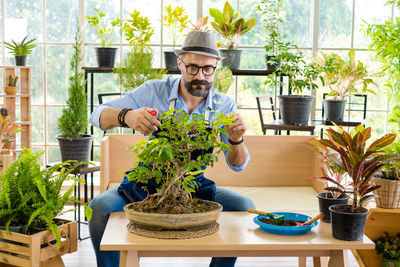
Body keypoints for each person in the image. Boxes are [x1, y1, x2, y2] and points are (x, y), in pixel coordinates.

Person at [88, 31, 256, 267]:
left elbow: (237, 165)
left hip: (192, 186)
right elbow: (97, 115)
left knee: (242, 207)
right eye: (192, 68)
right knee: (98, 209)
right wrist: (127, 116)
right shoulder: (153, 91)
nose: (200, 76)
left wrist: (237, 140)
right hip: (145, 183)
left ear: (216, 67)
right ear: (179, 63)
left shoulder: (223, 104)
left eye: (208, 69)